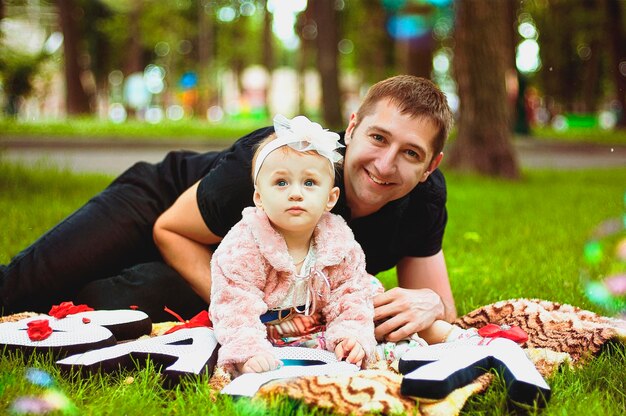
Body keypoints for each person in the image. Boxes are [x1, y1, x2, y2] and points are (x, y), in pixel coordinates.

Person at [0, 75, 455, 341]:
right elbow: (170, 230)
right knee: (28, 285)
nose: (385, 163)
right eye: (378, 137)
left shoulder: (424, 201)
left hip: (238, 264)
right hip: (163, 210)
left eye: (411, 154)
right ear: (352, 127)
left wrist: (430, 306)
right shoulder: (277, 162)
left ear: (430, 167)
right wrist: (260, 316)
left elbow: (440, 315)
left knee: (120, 306)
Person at [211, 115, 376, 373]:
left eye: (309, 183)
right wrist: (248, 351)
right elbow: (234, 303)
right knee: (256, 359)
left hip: (317, 327)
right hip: (264, 331)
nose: (296, 193)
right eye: (281, 182)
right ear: (259, 197)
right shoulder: (245, 244)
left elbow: (349, 296)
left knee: (370, 292)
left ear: (330, 198)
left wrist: (350, 335)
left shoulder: (340, 244)